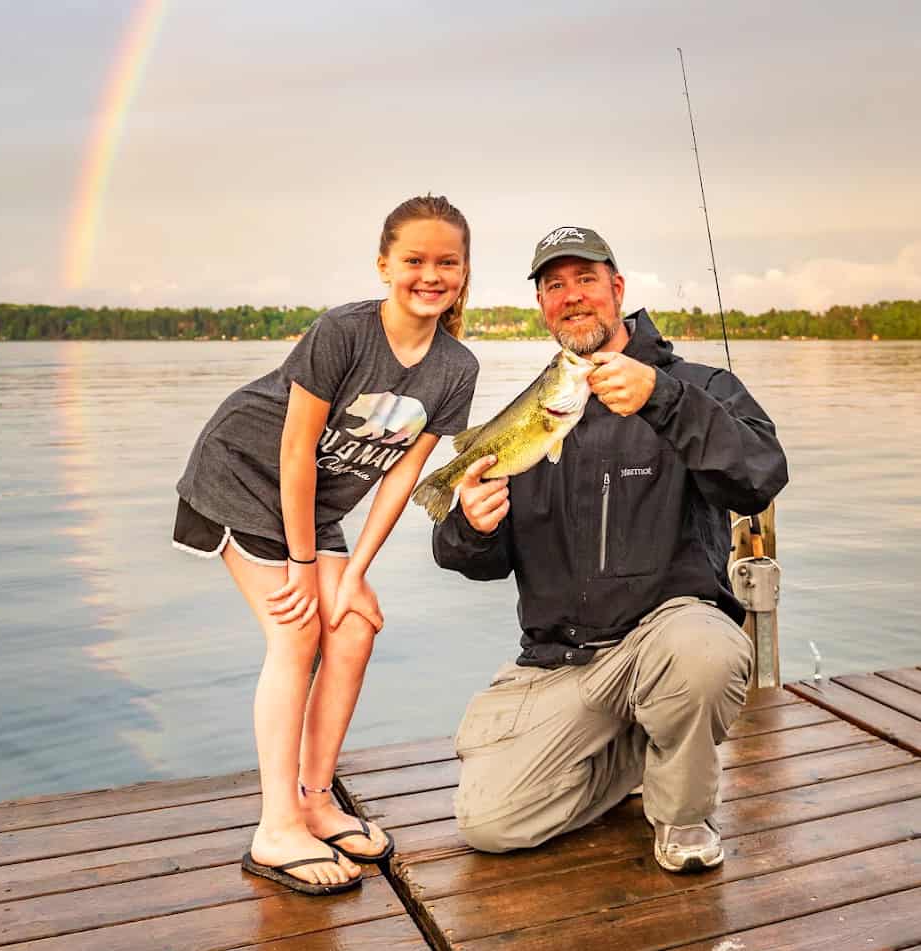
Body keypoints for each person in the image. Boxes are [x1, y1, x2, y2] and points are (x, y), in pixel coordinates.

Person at [432, 225, 788, 872]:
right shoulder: (536, 411)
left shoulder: (699, 386)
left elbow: (761, 473)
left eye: (585, 279)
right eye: (553, 285)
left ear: (616, 289)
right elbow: (477, 561)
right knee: (490, 823)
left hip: (663, 640)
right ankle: (632, 752)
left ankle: (680, 817)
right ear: (541, 305)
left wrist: (665, 398)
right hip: (561, 661)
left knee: (703, 652)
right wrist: (469, 527)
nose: (570, 296)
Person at [173, 195, 479, 895]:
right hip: (244, 474)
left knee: (352, 625)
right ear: (384, 265)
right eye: (413, 260)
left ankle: (313, 798)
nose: (428, 275)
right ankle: (275, 826)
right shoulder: (343, 331)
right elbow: (294, 447)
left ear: (463, 271)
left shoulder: (455, 368)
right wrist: (309, 568)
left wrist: (356, 571)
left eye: (446, 262)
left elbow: (403, 471)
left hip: (315, 503)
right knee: (299, 628)